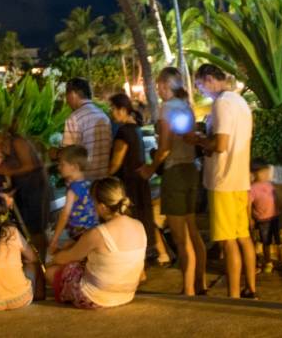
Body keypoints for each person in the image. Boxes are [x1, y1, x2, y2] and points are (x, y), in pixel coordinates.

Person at [190, 63, 256, 299]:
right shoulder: (240, 102)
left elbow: (220, 145)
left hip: (223, 181)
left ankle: (234, 296)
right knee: (243, 237)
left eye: (199, 85)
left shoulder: (222, 103)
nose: (201, 91)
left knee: (228, 242)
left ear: (209, 79)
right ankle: (251, 289)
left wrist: (199, 141)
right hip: (239, 179)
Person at [139, 67, 206, 296]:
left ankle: (188, 289)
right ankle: (200, 283)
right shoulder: (186, 106)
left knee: (180, 237)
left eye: (159, 85)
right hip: (190, 170)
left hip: (175, 172)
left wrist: (150, 167)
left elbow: (165, 147)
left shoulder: (167, 108)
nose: (157, 90)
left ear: (166, 86)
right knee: (193, 230)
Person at [47, 176, 146, 309]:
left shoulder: (98, 233)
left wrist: (54, 258)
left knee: (51, 272)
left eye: (94, 203)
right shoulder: (139, 225)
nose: (93, 207)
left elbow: (67, 257)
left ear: (103, 207)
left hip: (97, 297)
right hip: (127, 294)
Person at [0, 128, 50, 299]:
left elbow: (31, 165)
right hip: (24, 190)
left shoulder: (17, 142)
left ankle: (40, 276)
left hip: (35, 189)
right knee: (26, 230)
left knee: (35, 231)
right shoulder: (7, 150)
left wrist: (3, 171)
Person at [107, 93, 164, 264]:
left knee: (130, 221)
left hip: (127, 183)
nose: (111, 113)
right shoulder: (136, 129)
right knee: (142, 219)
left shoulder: (123, 132)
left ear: (123, 110)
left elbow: (116, 162)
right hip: (139, 181)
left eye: (113, 109)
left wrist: (104, 178)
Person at [49, 145, 99, 254]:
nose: (59, 167)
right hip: (92, 230)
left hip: (79, 234)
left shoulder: (73, 189)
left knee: (56, 253)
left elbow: (65, 214)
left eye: (62, 164)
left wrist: (55, 238)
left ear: (74, 167)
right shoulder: (88, 184)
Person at [61, 78, 112, 181]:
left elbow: (69, 154)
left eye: (66, 96)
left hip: (83, 181)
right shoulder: (103, 115)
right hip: (102, 180)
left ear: (73, 94)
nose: (67, 101)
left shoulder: (74, 118)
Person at [248, 161, 281, 274]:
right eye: (263, 172)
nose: (266, 175)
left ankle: (279, 260)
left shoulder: (269, 184)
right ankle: (267, 262)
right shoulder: (252, 188)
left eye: (267, 172)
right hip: (263, 220)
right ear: (254, 173)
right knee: (265, 242)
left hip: (274, 217)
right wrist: (250, 218)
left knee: (277, 240)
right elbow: (248, 205)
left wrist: (279, 208)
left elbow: (275, 198)